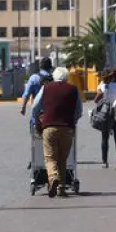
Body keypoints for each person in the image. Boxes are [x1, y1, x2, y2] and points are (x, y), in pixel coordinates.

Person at [30, 67, 83, 197]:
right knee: (62, 159)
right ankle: (61, 188)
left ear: (54, 77)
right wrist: (72, 122)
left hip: (49, 127)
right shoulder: (73, 90)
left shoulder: (46, 88)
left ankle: (53, 177)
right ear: (66, 78)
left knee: (50, 157)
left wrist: (38, 122)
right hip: (67, 129)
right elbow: (79, 111)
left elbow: (35, 107)